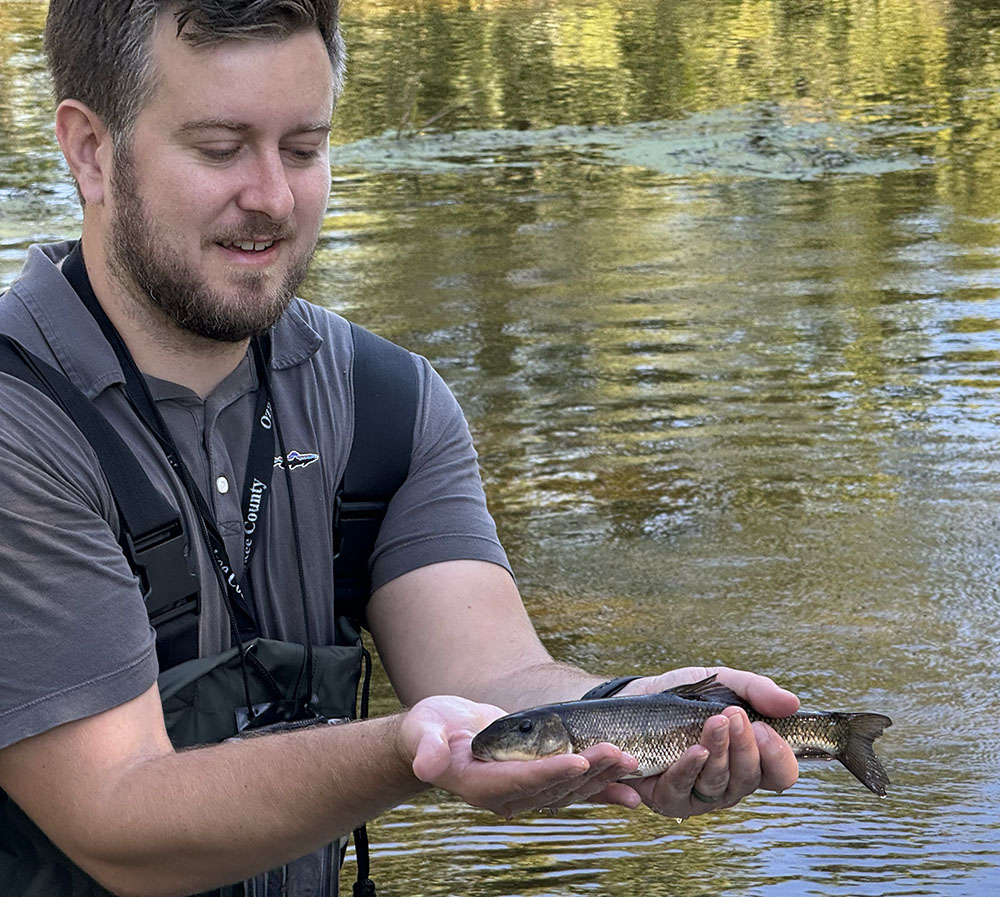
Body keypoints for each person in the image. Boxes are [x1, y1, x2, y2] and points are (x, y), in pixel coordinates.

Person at [0, 2, 800, 895]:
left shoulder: (388, 402)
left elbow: (494, 674)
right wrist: (403, 746)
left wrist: (629, 710)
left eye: (303, 148)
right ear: (89, 151)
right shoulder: (16, 426)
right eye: (221, 149)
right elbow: (116, 814)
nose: (272, 197)